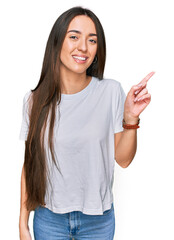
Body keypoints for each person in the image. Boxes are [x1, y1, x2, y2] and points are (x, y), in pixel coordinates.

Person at [19, 6, 155, 240]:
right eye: (74, 37)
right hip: (49, 218)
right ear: (57, 41)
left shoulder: (110, 91)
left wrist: (131, 119)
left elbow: (123, 160)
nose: (83, 47)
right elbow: (30, 164)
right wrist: (23, 222)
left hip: (98, 221)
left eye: (92, 40)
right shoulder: (35, 101)